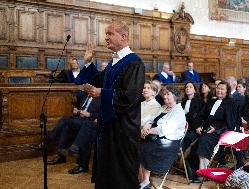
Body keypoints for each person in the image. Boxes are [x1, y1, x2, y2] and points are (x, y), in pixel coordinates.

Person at [85, 20, 145, 189]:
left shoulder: (134, 62)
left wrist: (101, 93)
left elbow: (130, 97)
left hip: (123, 128)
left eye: (110, 34)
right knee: (108, 171)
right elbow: (96, 81)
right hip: (109, 125)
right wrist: (89, 62)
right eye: (106, 34)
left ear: (123, 36)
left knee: (122, 174)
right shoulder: (114, 62)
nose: (106, 38)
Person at [139, 86, 186, 189]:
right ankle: (143, 180)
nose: (165, 96)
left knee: (144, 148)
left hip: (169, 141)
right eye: (164, 94)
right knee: (138, 145)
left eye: (168, 94)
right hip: (156, 137)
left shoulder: (178, 111)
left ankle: (145, 181)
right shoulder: (164, 107)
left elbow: (165, 129)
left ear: (175, 96)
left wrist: (148, 131)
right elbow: (152, 118)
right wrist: (147, 126)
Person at [44, 96, 100, 171]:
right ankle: (61, 157)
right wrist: (76, 111)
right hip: (80, 121)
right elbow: (81, 112)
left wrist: (89, 114)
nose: (88, 90)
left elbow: (102, 115)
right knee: (66, 127)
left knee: (64, 120)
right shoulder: (86, 97)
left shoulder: (101, 99)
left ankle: (49, 139)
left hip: (90, 122)